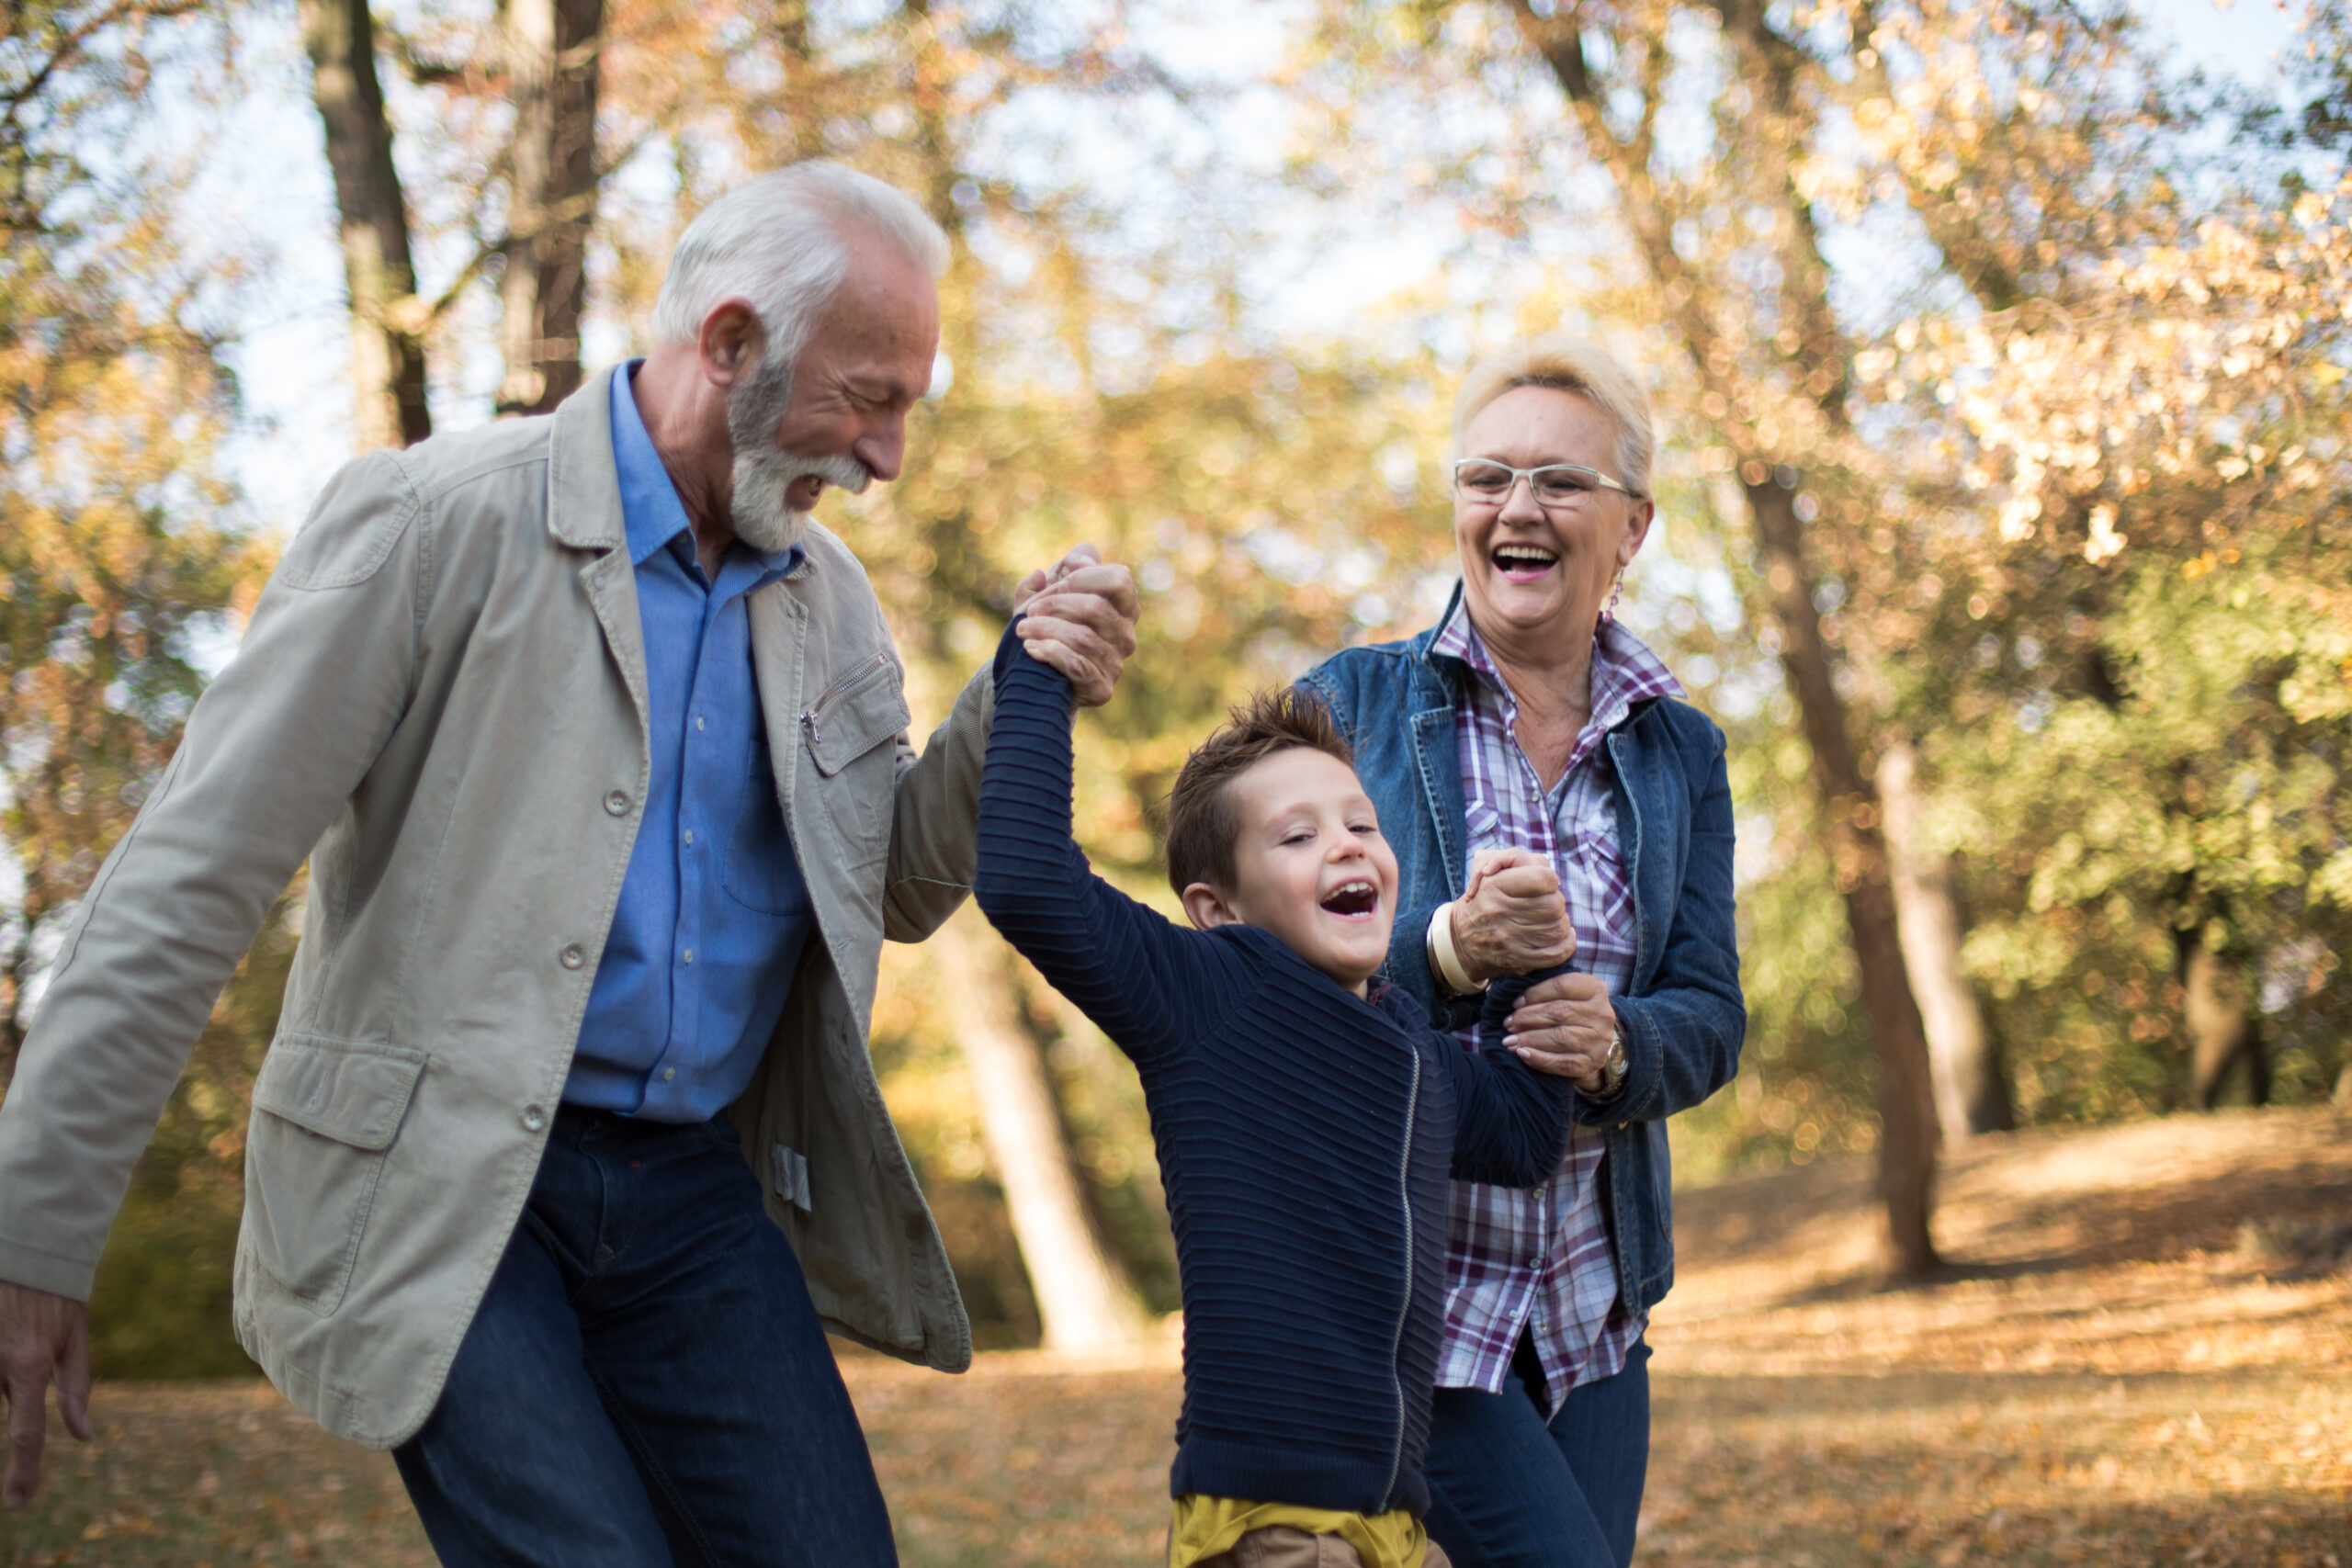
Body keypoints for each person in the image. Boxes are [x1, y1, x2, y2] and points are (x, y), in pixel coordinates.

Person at [0, 161, 1141, 1566]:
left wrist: (1006, 701)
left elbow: (889, 887)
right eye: (869, 396)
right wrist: (32, 1233)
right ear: (726, 344)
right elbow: (186, 879)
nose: (888, 455)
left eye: (907, 402)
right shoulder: (431, 523)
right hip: (448, 1178)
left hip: (692, 1197)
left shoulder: (827, 599)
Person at [974, 610, 1577, 1568]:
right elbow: (1022, 881)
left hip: (1392, 1519)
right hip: (1274, 1523)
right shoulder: (1212, 997)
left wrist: (1529, 966)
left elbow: (1519, 1136)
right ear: (1216, 911)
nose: (1346, 847)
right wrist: (1042, 674)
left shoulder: (1406, 1045)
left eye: (1360, 824)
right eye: (1296, 837)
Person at [1300, 333, 1745, 1568]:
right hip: (1411, 1299)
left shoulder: (1680, 751)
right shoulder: (1346, 705)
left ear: (1634, 525)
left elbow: (1710, 1009)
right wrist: (1444, 950)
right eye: (1486, 477)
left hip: (1594, 1310)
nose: (1517, 506)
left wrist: (1619, 1043)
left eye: (1559, 480)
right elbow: (1244, 984)